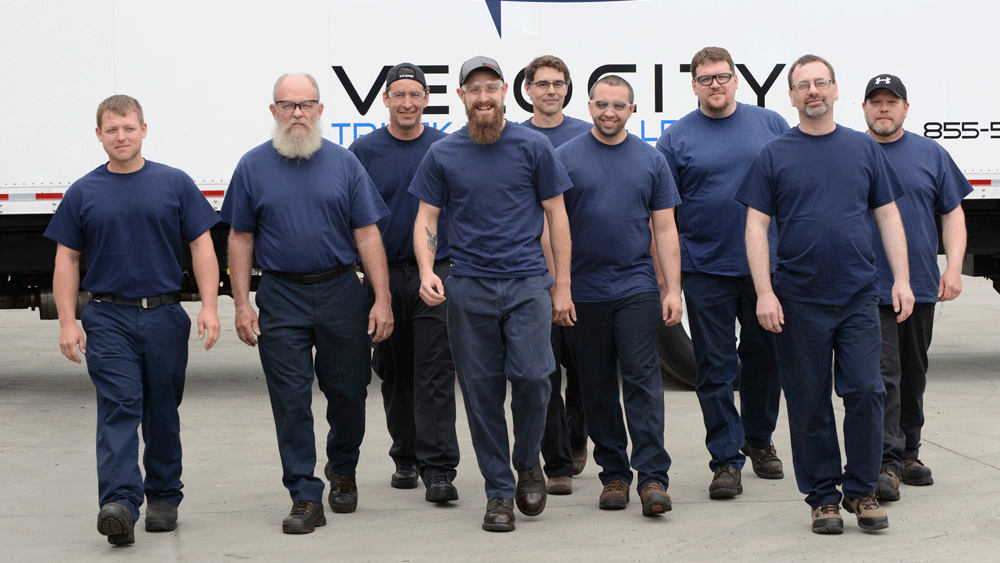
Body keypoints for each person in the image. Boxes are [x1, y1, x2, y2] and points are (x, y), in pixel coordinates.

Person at [736, 55, 914, 535]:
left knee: (865, 391)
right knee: (809, 401)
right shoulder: (773, 153)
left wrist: (901, 279)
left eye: (820, 83)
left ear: (835, 91)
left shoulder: (863, 149)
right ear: (791, 96)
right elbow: (756, 225)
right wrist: (764, 292)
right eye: (803, 85)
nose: (812, 91)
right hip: (798, 300)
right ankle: (823, 499)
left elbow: (888, 215)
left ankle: (862, 490)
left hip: (859, 296)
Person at [45, 95, 221, 545]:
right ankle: (120, 504)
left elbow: (202, 246)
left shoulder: (174, 183)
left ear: (144, 129)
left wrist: (209, 306)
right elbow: (67, 260)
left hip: (164, 315)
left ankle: (163, 496)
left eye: (128, 128)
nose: (120, 137)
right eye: (111, 129)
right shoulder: (83, 192)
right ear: (99, 135)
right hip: (107, 317)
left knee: (162, 410)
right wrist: (69, 322)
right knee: (119, 406)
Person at [409, 56, 574, 533]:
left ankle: (528, 463)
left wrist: (560, 285)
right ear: (461, 97)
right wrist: (426, 270)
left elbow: (557, 217)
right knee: (481, 393)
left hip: (527, 283)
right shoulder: (443, 153)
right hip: (469, 286)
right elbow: (427, 218)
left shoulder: (535, 146)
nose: (483, 97)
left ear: (505, 92)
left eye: (491, 88)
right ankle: (499, 492)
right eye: (473, 89)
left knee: (534, 377)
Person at [222, 73, 392, 535]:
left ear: (320, 110)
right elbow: (240, 237)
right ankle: (303, 493)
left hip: (341, 292)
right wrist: (240, 304)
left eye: (306, 104)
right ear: (273, 111)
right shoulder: (252, 166)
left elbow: (367, 233)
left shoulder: (345, 165)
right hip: (281, 294)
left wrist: (382, 299)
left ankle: (343, 468)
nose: (297, 113)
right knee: (291, 400)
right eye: (287, 104)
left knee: (349, 393)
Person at [655, 46, 788, 499]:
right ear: (694, 85)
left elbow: (790, 191)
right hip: (704, 268)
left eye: (723, 76)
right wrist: (669, 280)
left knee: (765, 360)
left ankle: (760, 440)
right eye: (706, 78)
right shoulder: (675, 139)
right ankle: (726, 460)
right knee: (714, 367)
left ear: (736, 80)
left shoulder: (769, 125)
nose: (715, 84)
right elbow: (664, 214)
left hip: (764, 271)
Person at [557, 74, 681, 518]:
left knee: (643, 380)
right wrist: (560, 287)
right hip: (583, 292)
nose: (609, 112)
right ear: (589, 106)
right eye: (601, 104)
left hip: (636, 288)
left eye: (618, 105)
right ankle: (614, 474)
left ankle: (651, 477)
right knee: (595, 385)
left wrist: (672, 288)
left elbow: (665, 229)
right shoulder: (564, 158)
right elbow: (550, 230)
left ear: (632, 110)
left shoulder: (651, 160)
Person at [348, 63, 460, 503]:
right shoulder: (363, 152)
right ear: (387, 101)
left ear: (426, 100)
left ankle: (439, 469)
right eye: (400, 95)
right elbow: (352, 220)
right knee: (394, 372)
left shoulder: (446, 148)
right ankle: (405, 457)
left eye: (416, 94)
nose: (408, 103)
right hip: (386, 276)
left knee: (435, 370)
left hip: (437, 274)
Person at [861, 74, 971, 501]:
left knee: (914, 373)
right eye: (876, 102)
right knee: (884, 374)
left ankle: (909, 453)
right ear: (864, 108)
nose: (884, 108)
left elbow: (953, 214)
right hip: (870, 287)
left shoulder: (931, 153)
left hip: (922, 284)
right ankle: (887, 462)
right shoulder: (854, 152)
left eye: (892, 101)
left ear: (906, 108)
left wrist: (955, 268)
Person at [521, 54, 593, 494]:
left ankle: (577, 434)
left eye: (558, 83)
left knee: (584, 366)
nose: (550, 90)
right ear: (527, 90)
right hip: (530, 275)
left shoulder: (587, 135)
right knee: (543, 369)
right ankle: (558, 461)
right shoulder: (515, 139)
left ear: (567, 89)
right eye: (542, 83)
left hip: (582, 272)